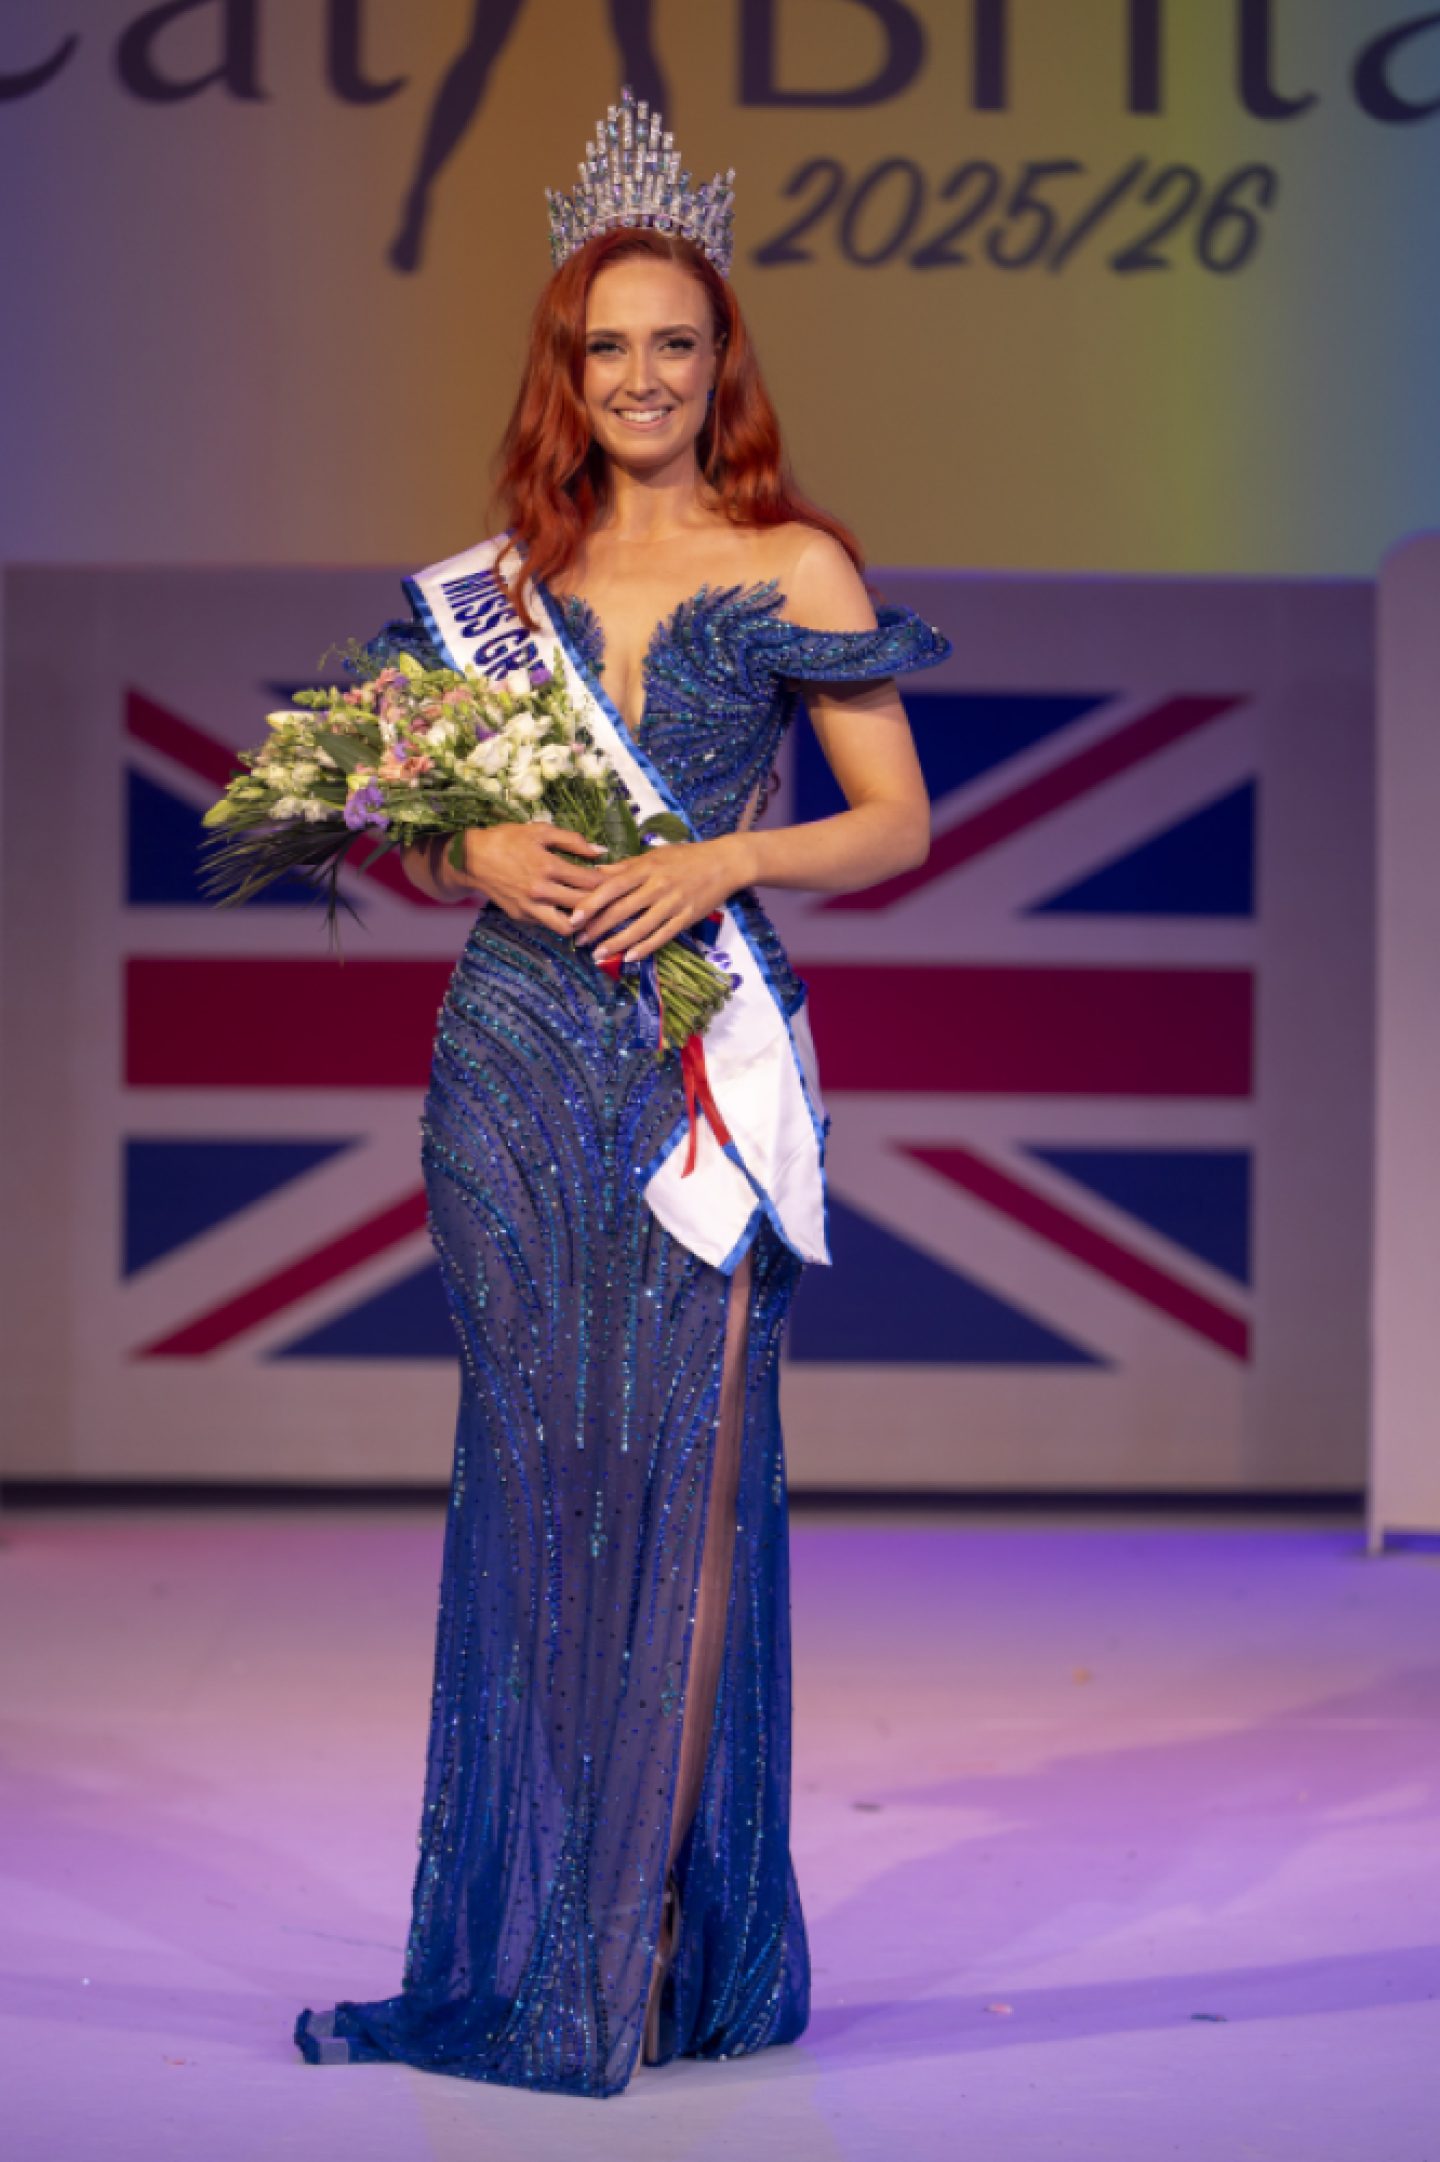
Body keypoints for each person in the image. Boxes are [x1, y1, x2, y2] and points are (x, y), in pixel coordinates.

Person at [294, 86, 952, 2099]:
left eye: (678, 342)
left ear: (717, 363)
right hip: (506, 1060)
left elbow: (895, 821)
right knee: (540, 1488)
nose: (646, 375)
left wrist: (724, 858)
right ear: (564, 376)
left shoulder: (797, 558)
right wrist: (464, 851)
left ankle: (635, 1938)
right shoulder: (501, 581)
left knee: (684, 1476)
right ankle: (537, 1930)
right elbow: (379, 808)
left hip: (697, 1069)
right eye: (611, 347)